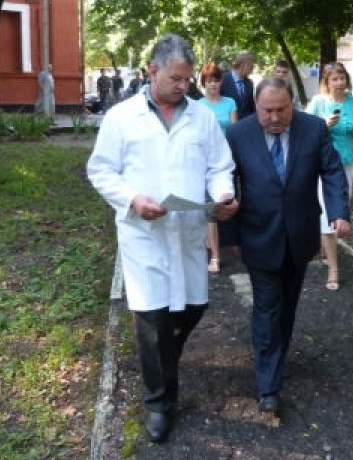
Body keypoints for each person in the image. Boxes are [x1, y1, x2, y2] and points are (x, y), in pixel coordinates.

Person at [87, 34, 239, 443]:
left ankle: (164, 359)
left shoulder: (201, 118)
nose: (183, 86)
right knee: (152, 320)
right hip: (144, 235)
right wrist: (132, 199)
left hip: (187, 231)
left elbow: (219, 166)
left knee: (194, 307)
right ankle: (159, 403)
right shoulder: (122, 117)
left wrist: (223, 195)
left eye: (188, 79)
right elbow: (100, 170)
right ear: (153, 72)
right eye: (175, 78)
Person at [226, 77, 350, 417]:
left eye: (281, 110)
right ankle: (268, 386)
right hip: (259, 234)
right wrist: (230, 234)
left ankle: (275, 358)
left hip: (300, 233)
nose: (274, 118)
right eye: (267, 110)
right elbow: (226, 182)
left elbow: (332, 170)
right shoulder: (239, 134)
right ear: (256, 106)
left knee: (288, 306)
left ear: (292, 104)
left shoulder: (313, 129)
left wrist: (339, 212)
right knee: (267, 307)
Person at [307, 61, 353, 291]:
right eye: (334, 79)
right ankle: (334, 270)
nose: (339, 83)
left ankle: (325, 249)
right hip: (323, 167)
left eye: (342, 78)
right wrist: (324, 126)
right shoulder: (318, 103)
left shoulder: (352, 102)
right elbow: (303, 132)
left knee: (341, 213)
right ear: (327, 82)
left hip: (346, 165)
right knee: (330, 215)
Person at [197, 63, 238, 274]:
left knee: (227, 202)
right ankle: (215, 256)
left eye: (216, 80)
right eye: (209, 81)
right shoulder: (197, 106)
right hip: (205, 162)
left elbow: (235, 131)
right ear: (203, 83)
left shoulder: (230, 103)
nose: (213, 84)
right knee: (210, 208)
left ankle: (231, 241)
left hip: (227, 159)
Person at [220, 51, 256, 119]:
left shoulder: (249, 83)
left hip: (246, 123)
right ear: (243, 65)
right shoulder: (223, 80)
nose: (252, 71)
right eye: (251, 67)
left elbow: (251, 107)